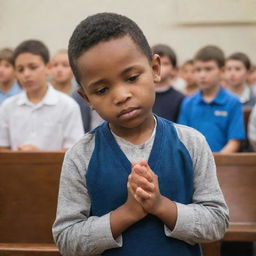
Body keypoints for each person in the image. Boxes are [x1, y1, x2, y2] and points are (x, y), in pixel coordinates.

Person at [52, 13, 229, 256]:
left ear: (155, 69)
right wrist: (127, 214)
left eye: (132, 78)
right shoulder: (80, 155)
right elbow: (67, 239)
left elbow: (217, 223)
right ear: (86, 98)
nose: (121, 95)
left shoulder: (191, 143)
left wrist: (160, 206)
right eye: (102, 89)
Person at [0, 39, 84, 151]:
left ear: (48, 68)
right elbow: (2, 148)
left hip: (57, 168)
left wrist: (39, 156)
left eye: (33, 67)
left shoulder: (68, 106)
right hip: (16, 168)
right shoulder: (7, 107)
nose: (26, 74)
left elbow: (74, 152)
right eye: (20, 69)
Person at [178, 45, 245, 153]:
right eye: (198, 70)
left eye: (208, 69)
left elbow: (234, 141)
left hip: (223, 164)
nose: (202, 75)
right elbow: (183, 138)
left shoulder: (233, 102)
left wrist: (214, 162)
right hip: (194, 165)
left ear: (222, 71)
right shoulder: (188, 103)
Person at [151, 44, 184, 122]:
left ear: (174, 70)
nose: (159, 67)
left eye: (165, 63)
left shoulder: (180, 99)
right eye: (155, 63)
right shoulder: (142, 95)